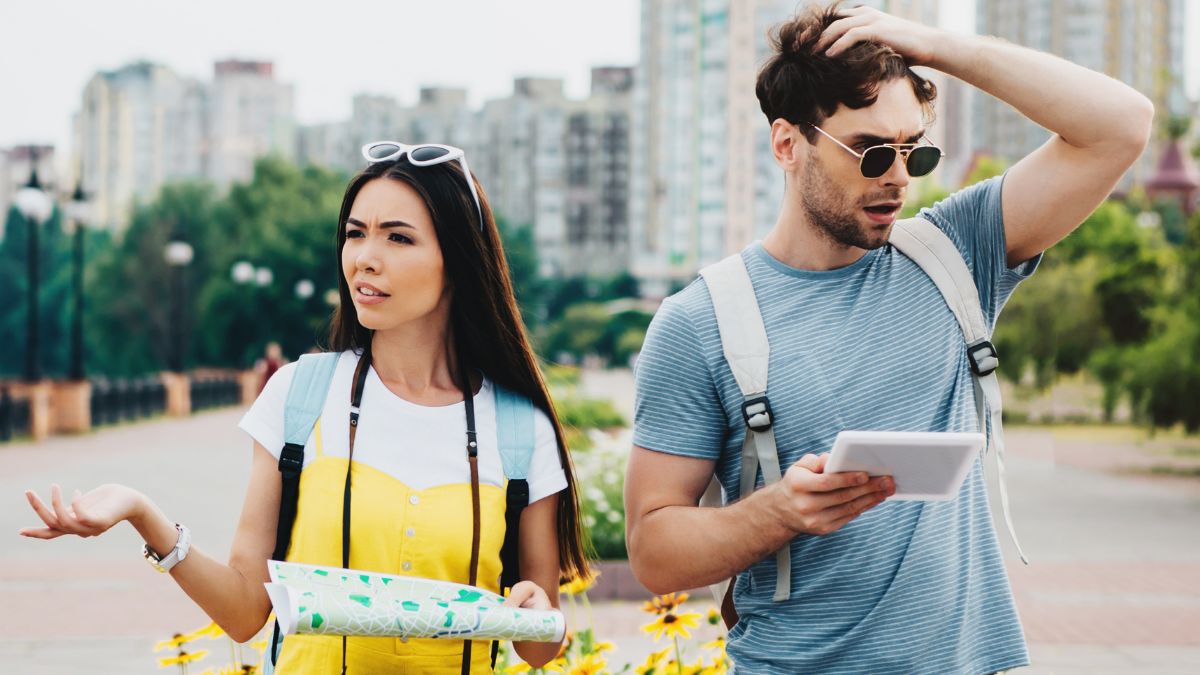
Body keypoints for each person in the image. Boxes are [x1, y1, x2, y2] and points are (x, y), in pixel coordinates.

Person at [624, 3, 1152, 673]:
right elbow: (652, 547)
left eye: (915, 150)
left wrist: (938, 47)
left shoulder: (958, 251)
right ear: (787, 144)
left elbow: (1120, 126)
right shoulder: (702, 322)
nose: (898, 177)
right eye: (873, 150)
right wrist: (779, 510)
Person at [20, 141, 589, 673]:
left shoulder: (519, 427)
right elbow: (246, 612)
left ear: (458, 261)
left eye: (398, 238)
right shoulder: (300, 395)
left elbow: (538, 645)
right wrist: (142, 512)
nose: (364, 258)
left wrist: (536, 608)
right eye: (355, 233)